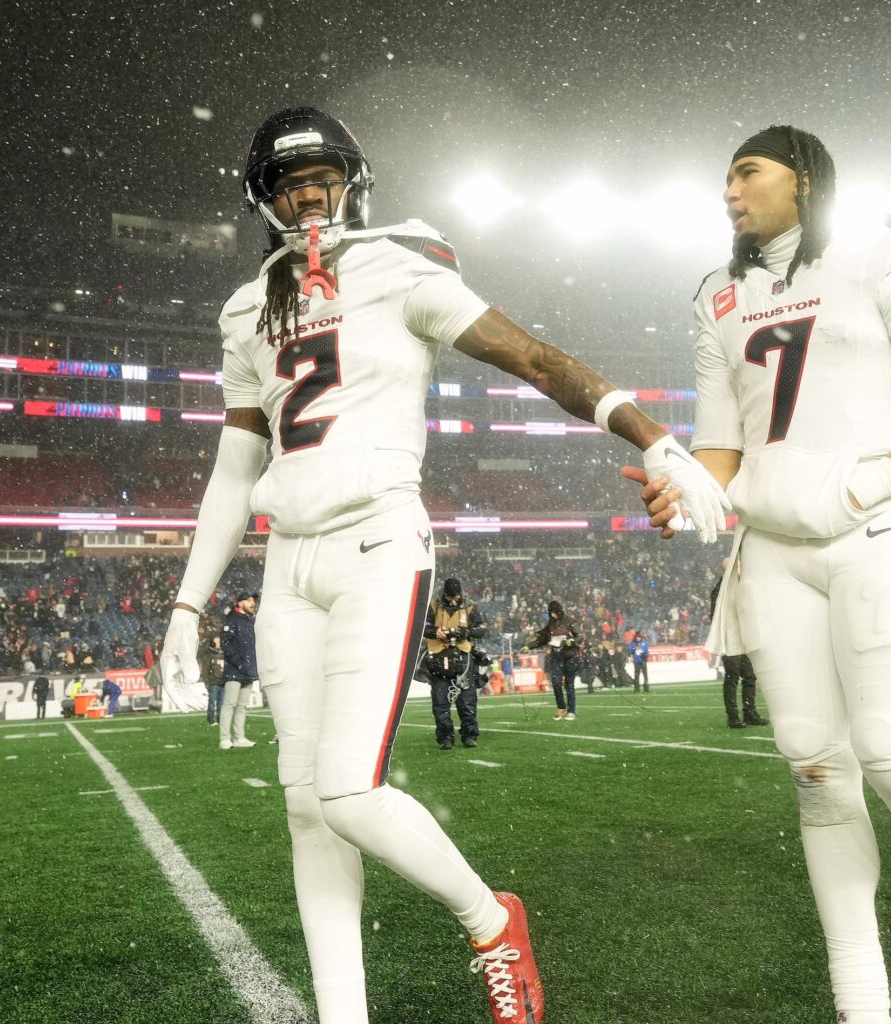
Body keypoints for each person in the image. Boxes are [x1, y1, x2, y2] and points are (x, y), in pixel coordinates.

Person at [156, 107, 728, 1024]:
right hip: (287, 564)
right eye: (287, 184)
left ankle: (489, 918)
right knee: (307, 808)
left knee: (347, 789)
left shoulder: (399, 267)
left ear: (354, 180)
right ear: (262, 201)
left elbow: (535, 358)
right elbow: (235, 470)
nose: (307, 197)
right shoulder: (245, 309)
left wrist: (653, 436)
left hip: (379, 540)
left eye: (321, 177)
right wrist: (186, 606)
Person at [637, 124, 891, 1024]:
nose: (730, 193)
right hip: (772, 554)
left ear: (806, 177)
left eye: (747, 173)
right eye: (726, 178)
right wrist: (689, 491)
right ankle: (862, 1005)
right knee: (819, 778)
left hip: (873, 536)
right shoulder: (716, 294)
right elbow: (723, 444)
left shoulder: (885, 259)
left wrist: (867, 482)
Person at [424, 578, 485, 751]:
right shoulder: (434, 607)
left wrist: (466, 632)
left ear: (460, 593)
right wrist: (435, 632)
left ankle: (470, 735)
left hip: (463, 658)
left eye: (455, 596)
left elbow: (481, 629)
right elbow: (423, 628)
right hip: (438, 658)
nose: (453, 600)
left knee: (467, 700)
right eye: (450, 597)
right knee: (440, 701)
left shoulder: (470, 607)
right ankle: (445, 738)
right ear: (445, 594)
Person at [708, 576, 767, 729]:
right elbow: (714, 612)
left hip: (743, 637)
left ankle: (749, 713)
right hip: (730, 638)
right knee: (733, 677)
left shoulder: (740, 586)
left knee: (748, 676)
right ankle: (734, 716)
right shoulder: (723, 588)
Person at [527, 600, 584, 722]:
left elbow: (580, 636)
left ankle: (572, 710)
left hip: (570, 656)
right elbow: (542, 639)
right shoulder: (550, 625)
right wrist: (529, 646)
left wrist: (572, 641)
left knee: (569, 684)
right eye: (550, 613)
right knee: (556, 682)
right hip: (557, 656)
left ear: (558, 611)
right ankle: (561, 707)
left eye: (553, 612)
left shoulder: (570, 621)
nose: (552, 615)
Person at [219, 593, 258, 750]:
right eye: (249, 600)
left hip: (248, 670)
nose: (252, 603)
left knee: (242, 705)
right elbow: (225, 644)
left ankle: (239, 737)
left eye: (253, 601)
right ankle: (224, 739)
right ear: (239, 603)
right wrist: (239, 663)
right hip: (234, 670)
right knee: (229, 704)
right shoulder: (231, 620)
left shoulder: (250, 621)